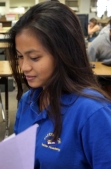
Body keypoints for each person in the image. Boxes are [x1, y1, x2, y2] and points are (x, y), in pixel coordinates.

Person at [7, 1, 111, 168]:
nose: (24, 67)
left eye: (34, 58)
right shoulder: (28, 101)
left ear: (64, 54)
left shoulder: (92, 112)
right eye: (19, 56)